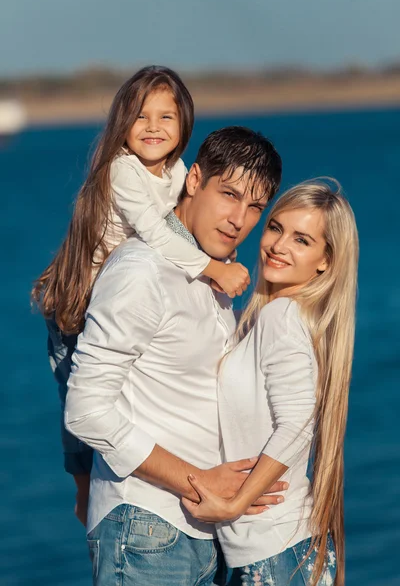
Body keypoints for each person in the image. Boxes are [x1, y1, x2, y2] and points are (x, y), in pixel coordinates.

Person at [64, 126, 284, 585]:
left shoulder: (213, 279)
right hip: (146, 527)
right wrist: (198, 481)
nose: (239, 218)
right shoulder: (143, 271)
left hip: (202, 532)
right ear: (194, 179)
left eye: (255, 207)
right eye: (228, 194)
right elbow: (85, 411)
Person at [31, 66, 251, 517]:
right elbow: (156, 231)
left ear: (184, 125)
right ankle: (82, 486)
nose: (153, 127)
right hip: (78, 302)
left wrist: (217, 261)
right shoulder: (121, 171)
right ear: (122, 124)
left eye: (166, 117)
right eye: (141, 116)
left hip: (116, 300)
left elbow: (185, 224)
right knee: (77, 397)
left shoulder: (178, 172)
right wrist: (213, 268)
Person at [182, 182, 358, 586]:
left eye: (302, 239)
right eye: (276, 228)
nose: (279, 245)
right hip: (281, 548)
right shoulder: (281, 318)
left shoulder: (282, 318)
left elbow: (297, 425)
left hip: (274, 550)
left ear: (325, 262)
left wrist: (234, 504)